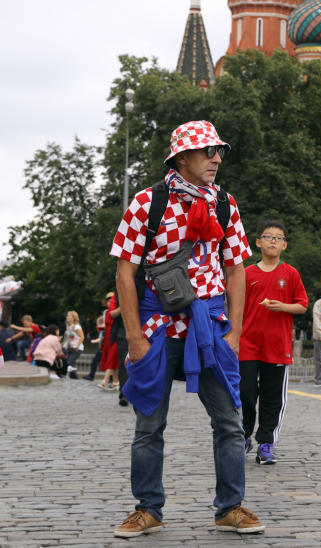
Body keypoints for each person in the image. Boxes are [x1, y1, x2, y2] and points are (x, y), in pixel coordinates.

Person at [111, 120, 263, 537]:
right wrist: (135, 336)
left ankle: (230, 507)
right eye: (206, 151)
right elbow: (125, 274)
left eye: (219, 151)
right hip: (157, 325)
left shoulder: (225, 204)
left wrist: (232, 332)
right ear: (181, 158)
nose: (216, 158)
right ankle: (147, 508)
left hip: (210, 326)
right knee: (149, 425)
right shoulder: (147, 203)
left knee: (229, 421)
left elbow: (236, 270)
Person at [239, 221, 308, 466]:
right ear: (258, 242)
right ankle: (244, 434)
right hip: (247, 343)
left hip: (277, 346)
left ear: (284, 245)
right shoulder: (246, 273)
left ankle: (266, 443)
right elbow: (235, 308)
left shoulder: (290, 273)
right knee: (245, 392)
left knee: (272, 397)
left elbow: (302, 304)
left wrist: (282, 307)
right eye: (268, 237)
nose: (273, 241)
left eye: (278, 238)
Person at [83, 313, 105, 381]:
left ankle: (91, 376)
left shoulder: (102, 329)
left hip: (102, 350)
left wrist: (94, 341)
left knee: (95, 362)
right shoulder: (102, 330)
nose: (97, 326)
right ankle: (91, 375)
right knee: (96, 362)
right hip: (101, 349)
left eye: (98, 324)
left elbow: (101, 338)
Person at [63, 310, 85, 379]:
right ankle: (75, 378)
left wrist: (77, 346)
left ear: (73, 317)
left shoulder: (77, 327)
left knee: (70, 363)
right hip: (70, 348)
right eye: (67, 315)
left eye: (69, 315)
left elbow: (82, 337)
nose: (67, 317)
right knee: (71, 364)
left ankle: (66, 376)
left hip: (77, 348)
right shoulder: (68, 326)